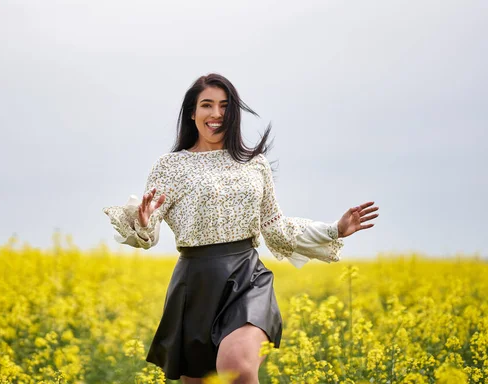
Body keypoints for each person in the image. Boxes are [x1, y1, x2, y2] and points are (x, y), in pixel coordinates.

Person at [103, 73, 379, 384]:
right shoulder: (170, 167)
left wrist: (334, 230)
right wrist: (141, 221)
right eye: (207, 105)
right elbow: (147, 231)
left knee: (237, 368)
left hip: (246, 279)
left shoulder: (254, 163)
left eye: (224, 106)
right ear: (192, 113)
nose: (216, 114)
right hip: (194, 286)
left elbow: (277, 230)